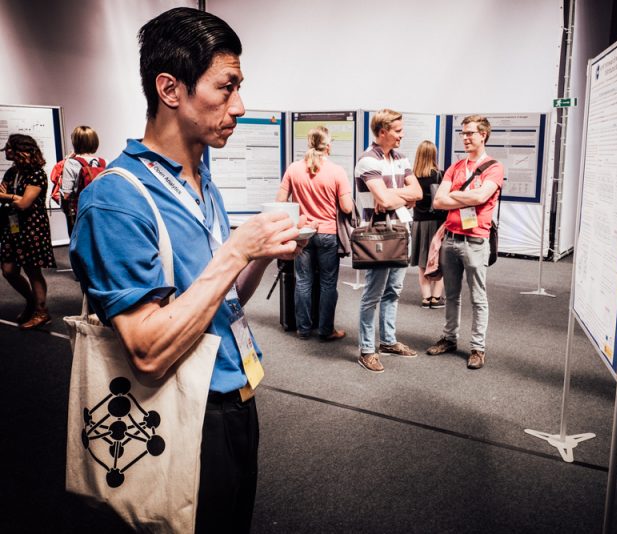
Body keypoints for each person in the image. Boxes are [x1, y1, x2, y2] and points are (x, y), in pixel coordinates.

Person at [69, 8, 305, 533]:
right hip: (181, 412)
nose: (239, 106)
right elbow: (148, 352)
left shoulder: (200, 179)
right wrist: (236, 251)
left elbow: (222, 300)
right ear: (170, 89)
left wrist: (262, 252)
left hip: (237, 398)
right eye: (226, 87)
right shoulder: (115, 199)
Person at [426, 115, 504, 370]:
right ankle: (449, 338)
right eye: (463, 133)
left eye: (470, 133)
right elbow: (438, 201)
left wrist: (455, 194)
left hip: (476, 241)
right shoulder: (456, 166)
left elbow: (482, 196)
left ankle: (478, 348)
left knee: (478, 298)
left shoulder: (494, 167)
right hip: (450, 239)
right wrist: (467, 196)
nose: (465, 137)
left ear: (483, 135)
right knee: (451, 295)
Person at [354, 109, 422, 373]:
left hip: (402, 230)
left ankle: (388, 341)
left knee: (394, 290)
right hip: (379, 234)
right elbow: (383, 200)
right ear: (382, 132)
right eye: (397, 131)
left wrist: (393, 194)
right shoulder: (367, 160)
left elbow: (418, 192)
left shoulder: (401, 158)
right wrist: (399, 195)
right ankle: (367, 350)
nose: (402, 135)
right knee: (373, 294)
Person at [277, 126, 352, 341]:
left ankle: (303, 329)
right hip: (328, 234)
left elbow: (280, 201)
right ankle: (326, 331)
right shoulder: (337, 171)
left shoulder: (293, 169)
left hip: (303, 234)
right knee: (328, 283)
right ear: (328, 146)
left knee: (303, 281)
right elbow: (347, 207)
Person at [0, 134, 57, 329]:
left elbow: (24, 204)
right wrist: (13, 197)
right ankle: (32, 301)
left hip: (32, 227)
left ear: (21, 151)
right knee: (8, 270)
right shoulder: (11, 172)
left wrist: (8, 196)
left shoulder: (36, 174)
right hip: (12, 226)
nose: (6, 151)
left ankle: (41, 312)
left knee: (33, 270)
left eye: (9, 148)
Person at [409, 140, 446, 309]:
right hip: (438, 223)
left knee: (422, 261)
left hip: (419, 224)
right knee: (439, 260)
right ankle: (436, 298)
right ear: (434, 155)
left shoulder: (412, 178)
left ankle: (426, 298)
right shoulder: (440, 175)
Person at [60, 125, 104, 237]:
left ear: (75, 142)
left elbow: (66, 194)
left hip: (81, 212)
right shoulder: (104, 162)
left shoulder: (71, 162)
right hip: (101, 211)